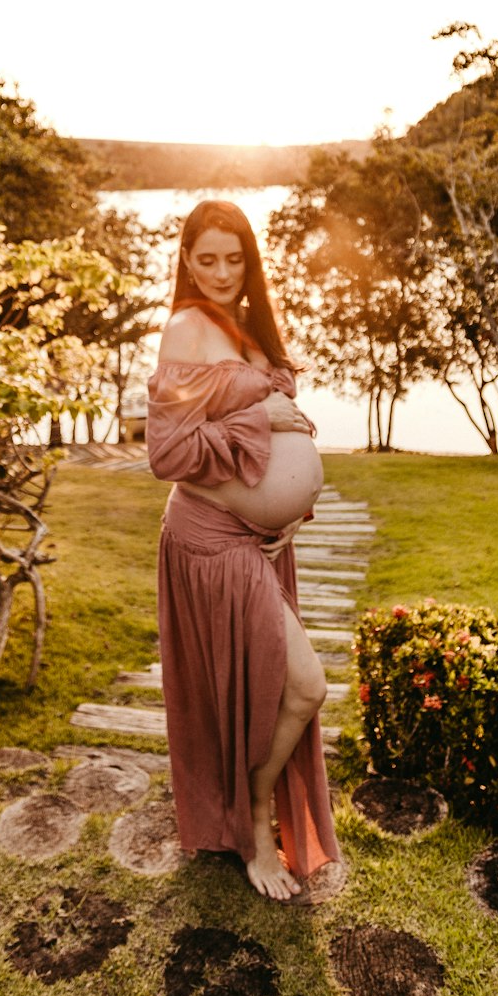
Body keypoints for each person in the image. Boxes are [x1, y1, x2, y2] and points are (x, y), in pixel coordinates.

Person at [146, 199, 341, 900]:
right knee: (305, 685)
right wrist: (259, 416)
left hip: (255, 539)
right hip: (208, 538)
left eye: (235, 258)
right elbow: (166, 452)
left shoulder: (254, 328)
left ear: (249, 260)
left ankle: (250, 812)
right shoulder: (183, 331)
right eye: (208, 259)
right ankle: (255, 824)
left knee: (278, 688)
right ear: (187, 261)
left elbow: (288, 439)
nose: (222, 273)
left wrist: (294, 506)